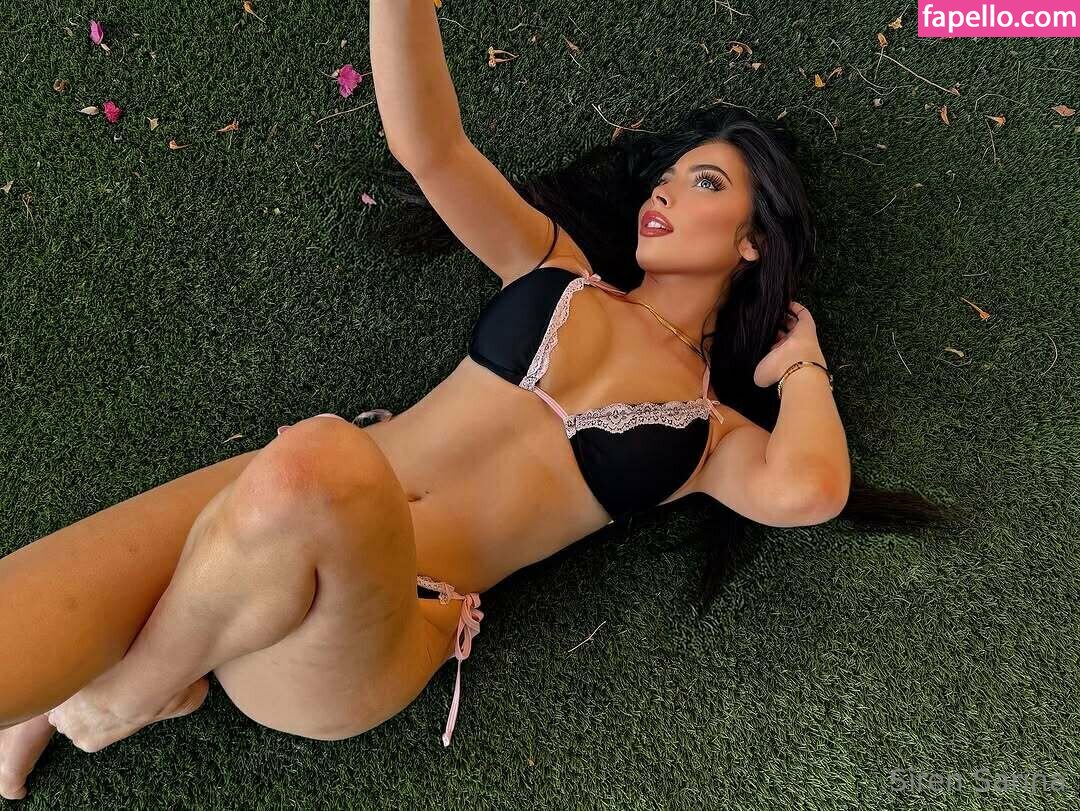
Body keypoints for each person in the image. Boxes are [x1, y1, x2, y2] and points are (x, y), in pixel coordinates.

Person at [0, 1, 955, 800]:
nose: (663, 195)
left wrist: (802, 364)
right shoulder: (555, 269)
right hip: (268, 519)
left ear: (753, 241)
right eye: (665, 178)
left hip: (370, 623)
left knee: (316, 460)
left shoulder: (709, 434)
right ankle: (112, 683)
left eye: (703, 183)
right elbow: (431, 147)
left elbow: (809, 489)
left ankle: (118, 696)